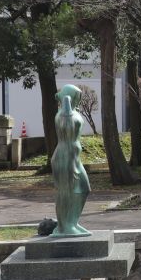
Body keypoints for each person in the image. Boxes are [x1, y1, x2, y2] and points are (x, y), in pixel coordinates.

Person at [51, 84, 92, 236]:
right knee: (66, 192)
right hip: (65, 157)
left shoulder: (70, 112)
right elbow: (67, 131)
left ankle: (72, 222)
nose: (78, 100)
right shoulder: (64, 114)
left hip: (73, 156)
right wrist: (66, 100)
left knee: (84, 188)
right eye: (76, 97)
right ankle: (64, 227)